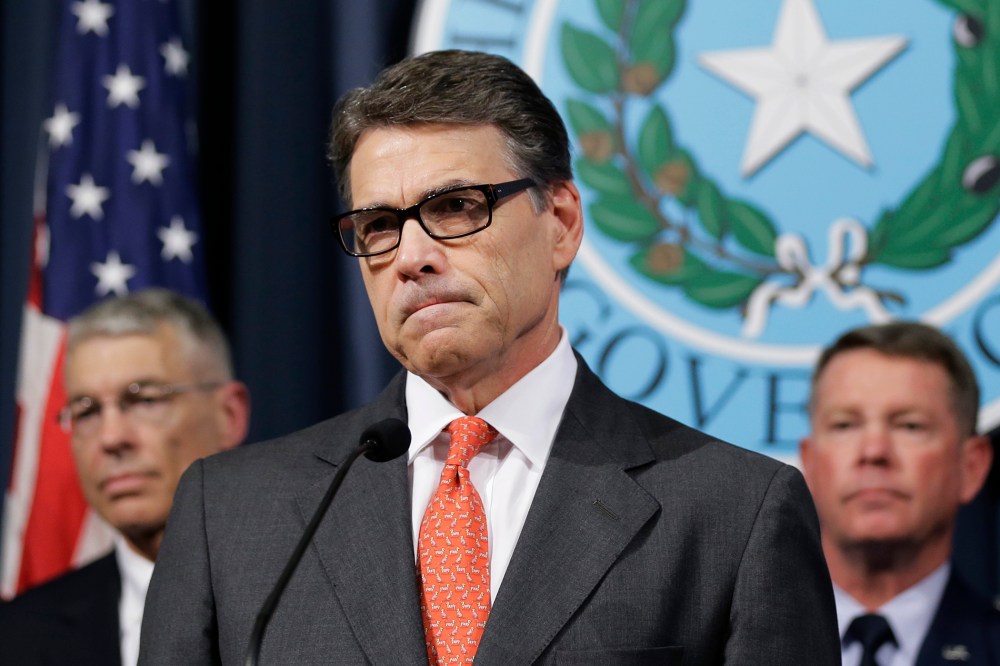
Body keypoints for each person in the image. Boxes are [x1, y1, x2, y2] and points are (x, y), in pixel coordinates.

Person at [139, 49, 839, 665]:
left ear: (560, 223)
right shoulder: (229, 515)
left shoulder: (733, 513)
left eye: (455, 208)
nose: (412, 257)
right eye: (379, 225)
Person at [0, 289, 250, 666]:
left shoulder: (320, 591)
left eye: (145, 399)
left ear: (228, 416)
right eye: (86, 412)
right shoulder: (15, 637)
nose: (111, 438)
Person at [800, 321, 1000, 665]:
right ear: (810, 464)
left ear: (972, 467)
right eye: (845, 425)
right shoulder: (727, 649)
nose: (874, 451)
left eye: (910, 425)